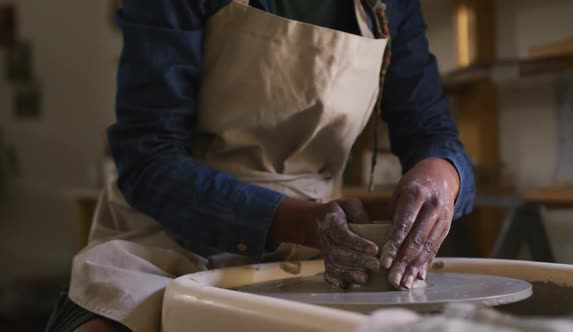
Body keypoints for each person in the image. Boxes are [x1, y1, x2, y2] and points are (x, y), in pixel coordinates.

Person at [46, 0, 475, 331]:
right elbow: (147, 160)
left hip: (323, 244)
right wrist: (293, 220)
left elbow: (431, 128)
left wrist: (441, 174)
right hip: (162, 235)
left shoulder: (389, 6)